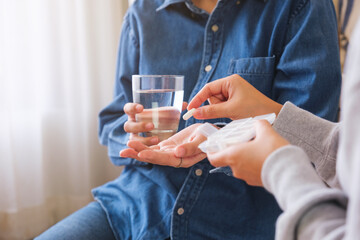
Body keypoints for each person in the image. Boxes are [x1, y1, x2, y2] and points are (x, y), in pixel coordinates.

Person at [35, 0, 341, 239]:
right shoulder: (144, 12)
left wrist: (217, 136)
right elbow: (114, 120)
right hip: (136, 205)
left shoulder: (300, 6)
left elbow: (312, 144)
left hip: (241, 221)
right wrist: (135, 136)